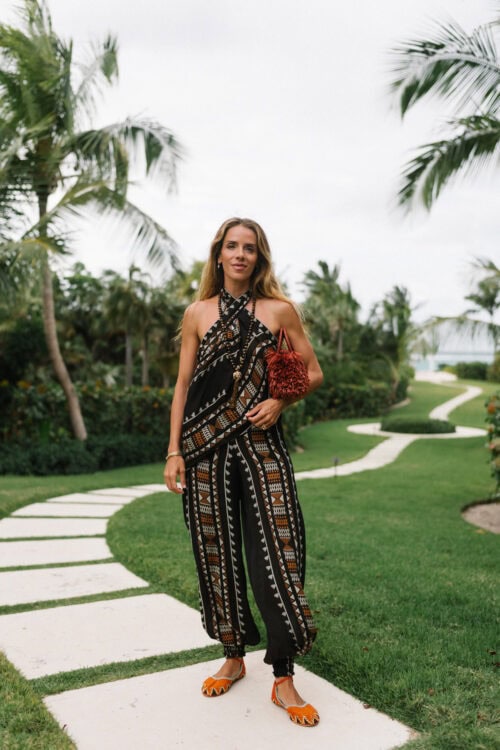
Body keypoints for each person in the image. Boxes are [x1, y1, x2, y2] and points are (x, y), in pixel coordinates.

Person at [164, 217, 323, 727]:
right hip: (203, 449)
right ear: (218, 254)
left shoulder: (279, 310)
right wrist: (174, 451)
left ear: (259, 257)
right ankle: (233, 656)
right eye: (231, 246)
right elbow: (183, 384)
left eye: (248, 248)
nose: (239, 254)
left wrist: (280, 401)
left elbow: (313, 371)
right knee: (216, 552)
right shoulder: (197, 313)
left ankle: (283, 675)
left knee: (278, 549)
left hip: (261, 445)